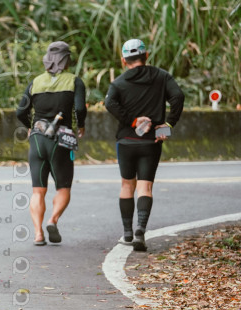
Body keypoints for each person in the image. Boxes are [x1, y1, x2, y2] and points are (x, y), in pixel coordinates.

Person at [105, 39, 184, 251]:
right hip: (151, 141)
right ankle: (140, 229)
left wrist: (132, 121)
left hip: (126, 141)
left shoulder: (118, 82)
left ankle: (127, 233)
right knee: (145, 186)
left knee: (126, 185)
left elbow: (109, 103)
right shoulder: (161, 76)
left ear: (124, 60)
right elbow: (178, 96)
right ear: (146, 55)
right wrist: (168, 125)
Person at [16, 41, 87, 245]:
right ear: (67, 60)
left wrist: (29, 126)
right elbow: (80, 109)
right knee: (63, 187)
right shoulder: (74, 81)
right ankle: (52, 220)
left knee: (38, 190)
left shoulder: (35, 82)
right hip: (61, 140)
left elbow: (20, 111)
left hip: (37, 139)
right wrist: (80, 125)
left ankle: (38, 234)